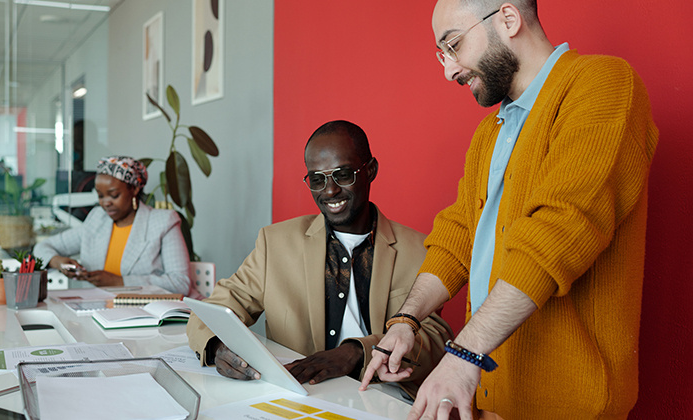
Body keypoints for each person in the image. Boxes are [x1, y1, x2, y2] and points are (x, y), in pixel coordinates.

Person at [360, 1, 659, 419]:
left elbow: (557, 234)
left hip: (569, 406)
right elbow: (459, 235)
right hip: (490, 401)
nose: (449, 70)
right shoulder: (491, 130)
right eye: (441, 54)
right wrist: (405, 321)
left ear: (508, 19)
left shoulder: (603, 84)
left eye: (454, 45)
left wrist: (464, 355)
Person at [186, 120, 452, 396]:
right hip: (299, 397)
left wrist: (358, 352)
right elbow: (213, 310)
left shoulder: (420, 249)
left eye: (343, 174)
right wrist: (217, 346)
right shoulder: (275, 243)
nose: (330, 190)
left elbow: (434, 338)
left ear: (370, 171)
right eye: (317, 179)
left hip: (382, 398)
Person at [34, 156, 196, 295]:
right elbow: (42, 247)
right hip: (100, 312)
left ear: (134, 189)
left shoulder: (163, 222)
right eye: (100, 195)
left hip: (153, 315)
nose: (106, 203)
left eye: (114, 195)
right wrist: (59, 262)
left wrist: (119, 281)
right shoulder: (97, 219)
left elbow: (180, 283)